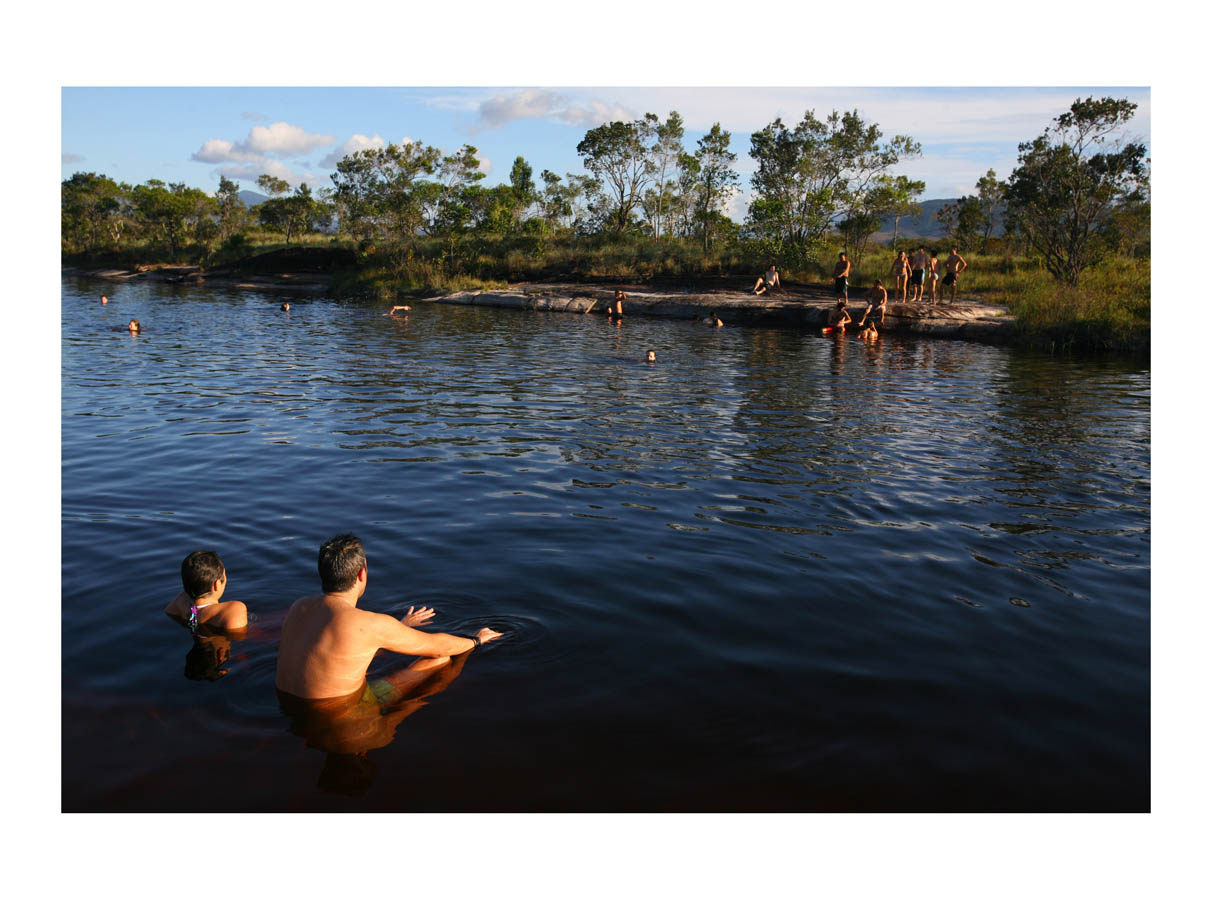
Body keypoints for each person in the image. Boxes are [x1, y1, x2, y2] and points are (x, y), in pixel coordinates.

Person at [275, 534, 501, 702]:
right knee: (440, 661)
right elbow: (439, 648)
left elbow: (340, 650)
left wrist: (398, 628)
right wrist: (476, 640)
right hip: (339, 715)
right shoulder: (368, 624)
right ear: (362, 574)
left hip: (288, 705)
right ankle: (395, 714)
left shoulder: (299, 606)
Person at [165, 550, 249, 631]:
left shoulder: (181, 601)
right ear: (216, 585)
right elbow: (239, 637)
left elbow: (169, 612)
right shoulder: (235, 609)